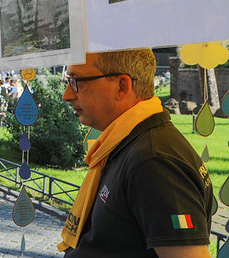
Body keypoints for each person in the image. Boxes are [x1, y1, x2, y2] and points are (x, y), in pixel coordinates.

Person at [59, 49, 212, 258]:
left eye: (76, 81)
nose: (67, 95)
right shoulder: (130, 142)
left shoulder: (154, 162)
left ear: (122, 86)